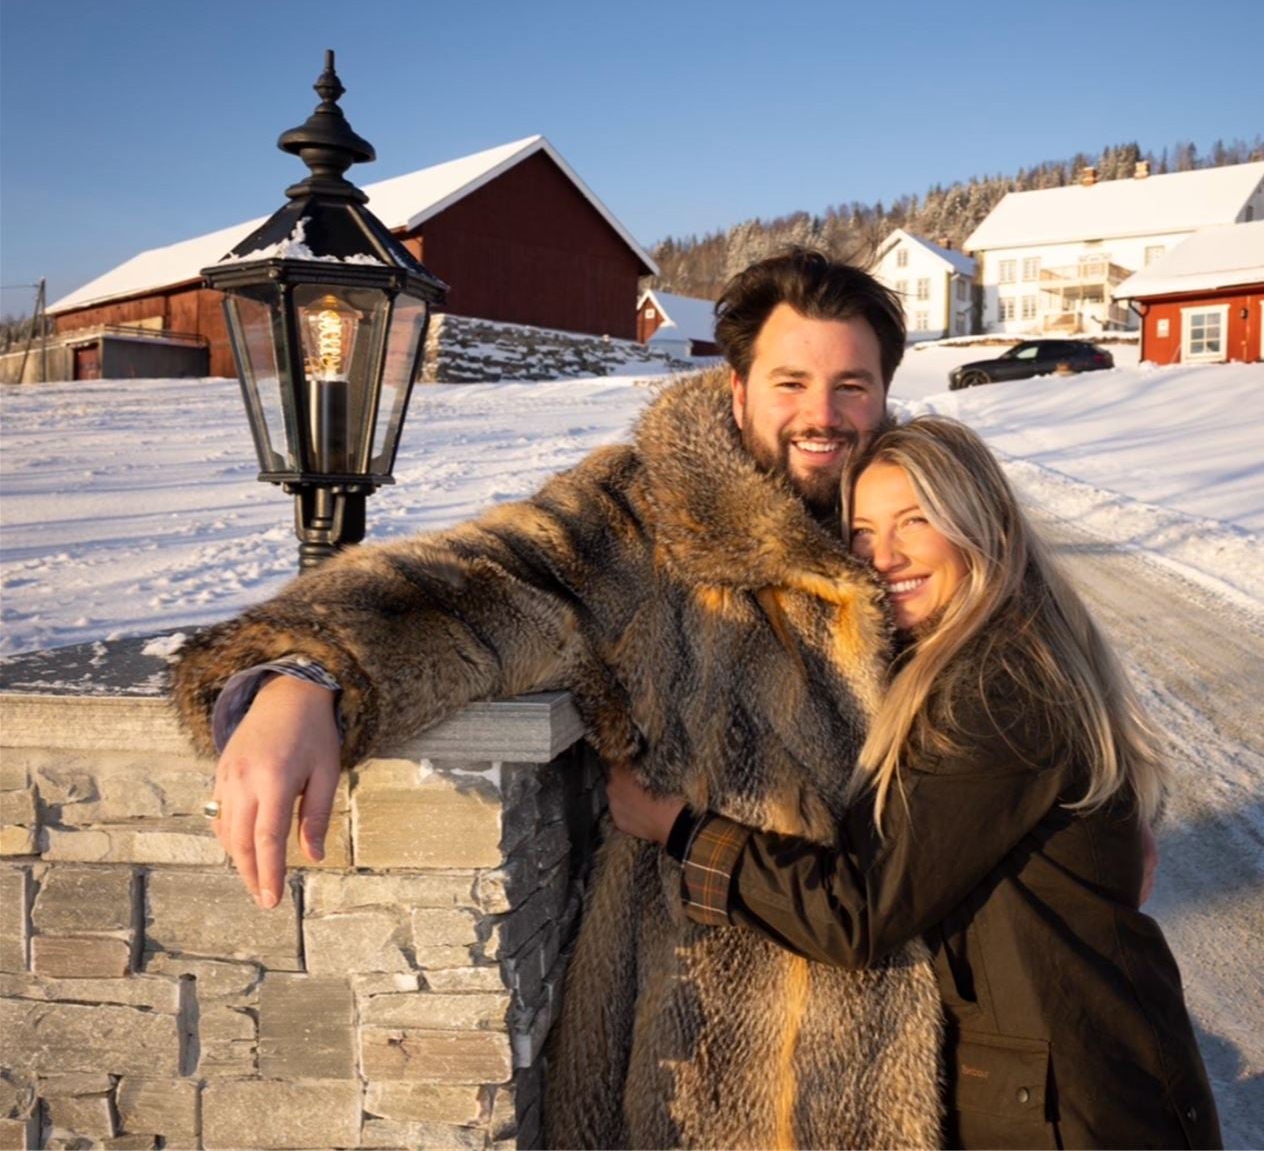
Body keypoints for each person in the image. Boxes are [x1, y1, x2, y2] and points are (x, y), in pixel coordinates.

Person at [169, 250, 947, 1148]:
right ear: (738, 390)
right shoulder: (650, 517)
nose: (823, 415)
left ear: (884, 393)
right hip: (718, 1046)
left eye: (851, 386)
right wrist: (309, 671)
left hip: (934, 1022)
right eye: (792, 383)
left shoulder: (925, 508)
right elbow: (483, 581)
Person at [607, 415, 1223, 1150]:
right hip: (1077, 1076)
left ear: (979, 523)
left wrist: (679, 828)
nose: (884, 555)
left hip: (1071, 1112)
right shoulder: (985, 644)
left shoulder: (998, 687)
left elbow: (861, 912)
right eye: (862, 532)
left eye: (914, 520)